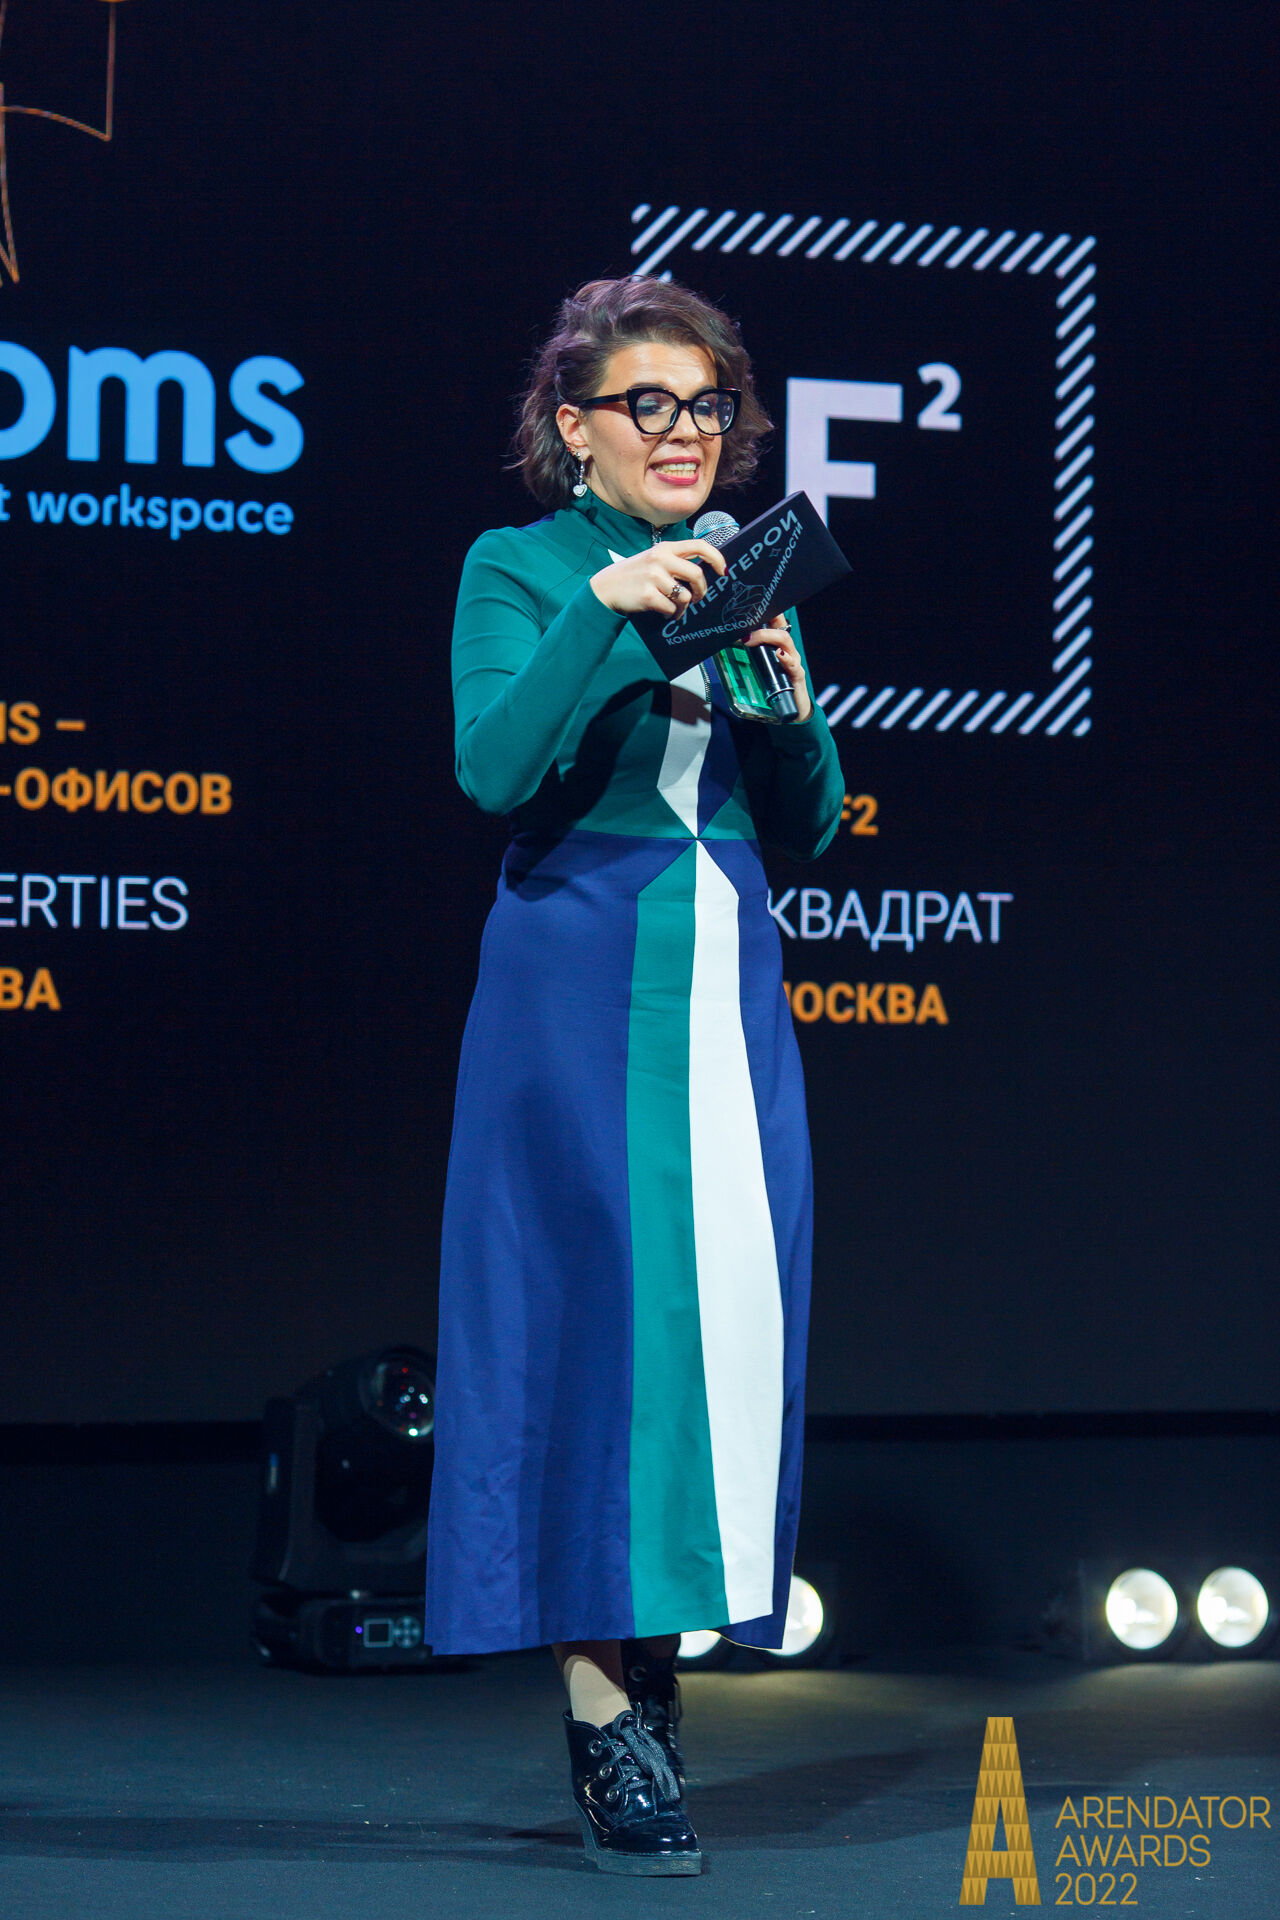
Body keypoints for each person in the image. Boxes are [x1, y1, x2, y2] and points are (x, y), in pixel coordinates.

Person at [424, 276, 844, 1876]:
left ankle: (656, 1670)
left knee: (714, 1335)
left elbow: (808, 822)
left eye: (709, 406)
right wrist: (603, 609)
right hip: (576, 985)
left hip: (724, 989)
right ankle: (604, 1712)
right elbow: (492, 770)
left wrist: (790, 706)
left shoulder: (752, 568)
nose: (685, 432)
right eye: (647, 405)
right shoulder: (521, 566)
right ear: (574, 426)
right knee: (588, 1329)